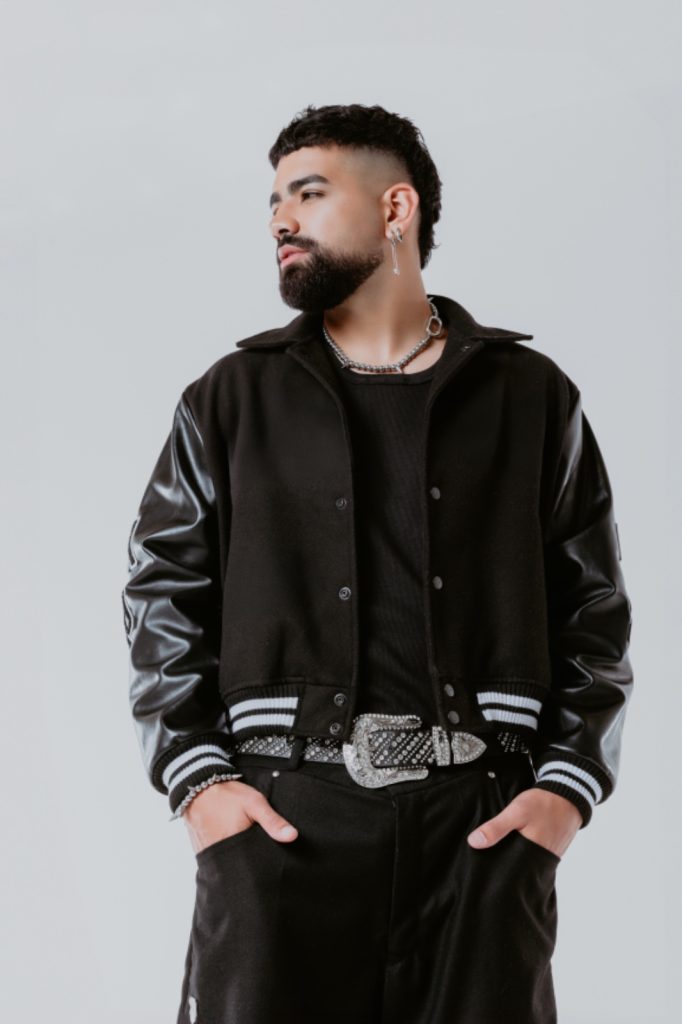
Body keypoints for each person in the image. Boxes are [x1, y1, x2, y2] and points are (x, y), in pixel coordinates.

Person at [122, 103, 634, 1024]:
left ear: (396, 209)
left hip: (483, 831)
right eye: (274, 201)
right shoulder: (230, 398)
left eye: (309, 194)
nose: (281, 219)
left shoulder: (530, 396)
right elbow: (163, 591)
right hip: (283, 823)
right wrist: (199, 783)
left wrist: (564, 790)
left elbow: (593, 611)